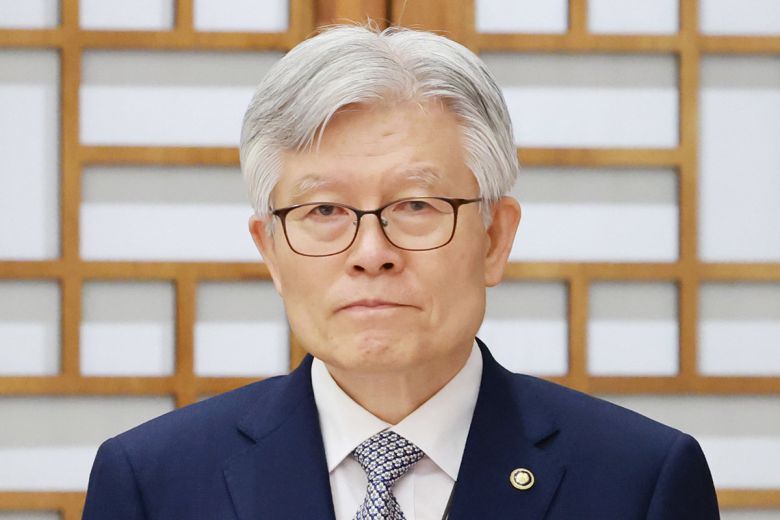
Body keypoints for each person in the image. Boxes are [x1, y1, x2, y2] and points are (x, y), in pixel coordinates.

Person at [82, 25, 720, 519]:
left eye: (416, 205)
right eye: (324, 210)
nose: (371, 252)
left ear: (495, 238)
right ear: (270, 250)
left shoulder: (639, 480)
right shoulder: (153, 482)